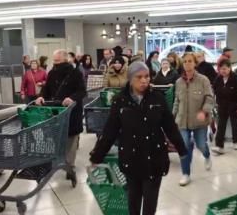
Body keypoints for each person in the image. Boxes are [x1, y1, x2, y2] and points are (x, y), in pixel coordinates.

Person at [90, 61, 187, 215]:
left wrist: (181, 148)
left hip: (154, 157)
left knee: (150, 202)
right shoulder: (120, 100)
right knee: (133, 201)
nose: (144, 80)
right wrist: (98, 155)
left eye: (147, 76)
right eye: (139, 77)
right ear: (130, 78)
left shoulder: (157, 98)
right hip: (131, 158)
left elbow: (170, 126)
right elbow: (110, 131)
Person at [36, 49, 86, 182]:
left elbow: (82, 91)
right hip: (56, 111)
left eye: (58, 61)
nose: (55, 63)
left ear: (65, 60)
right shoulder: (52, 73)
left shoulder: (75, 73)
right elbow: (46, 89)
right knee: (56, 136)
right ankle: (58, 162)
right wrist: (41, 97)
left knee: (71, 138)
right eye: (54, 61)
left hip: (72, 112)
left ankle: (70, 166)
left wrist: (72, 98)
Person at [173, 52, 214, 186]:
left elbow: (209, 98)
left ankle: (207, 155)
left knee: (201, 144)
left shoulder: (203, 80)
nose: (187, 64)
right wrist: (172, 117)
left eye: (190, 61)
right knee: (184, 147)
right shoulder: (179, 82)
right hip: (182, 121)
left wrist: (204, 111)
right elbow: (177, 101)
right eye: (185, 62)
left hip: (199, 121)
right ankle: (186, 174)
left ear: (195, 63)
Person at [213, 60, 237, 154]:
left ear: (229, 68)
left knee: (235, 124)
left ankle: (236, 141)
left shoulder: (236, 78)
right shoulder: (218, 78)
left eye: (224, 69)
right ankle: (219, 145)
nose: (223, 71)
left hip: (234, 105)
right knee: (221, 125)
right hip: (222, 105)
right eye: (221, 69)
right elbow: (214, 90)